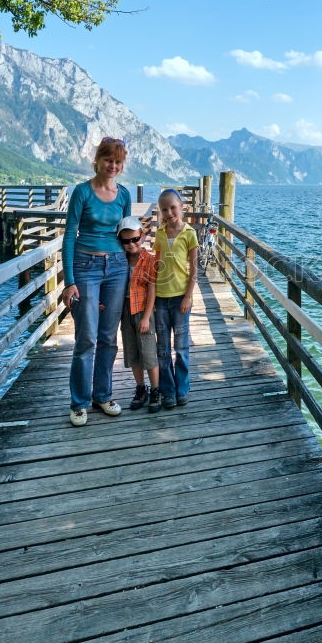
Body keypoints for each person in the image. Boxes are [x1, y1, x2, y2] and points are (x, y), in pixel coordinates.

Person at [61, 137, 132, 427]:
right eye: (108, 160)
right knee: (86, 336)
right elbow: (69, 236)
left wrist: (137, 270)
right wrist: (69, 281)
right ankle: (79, 402)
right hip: (85, 266)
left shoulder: (124, 195)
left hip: (116, 267)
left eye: (118, 162)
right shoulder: (81, 192)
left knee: (107, 337)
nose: (113, 166)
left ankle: (102, 395)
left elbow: (128, 236)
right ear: (97, 161)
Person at [153, 188, 199, 409]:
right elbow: (157, 265)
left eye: (172, 207)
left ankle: (182, 389)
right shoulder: (160, 234)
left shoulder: (190, 233)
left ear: (182, 207)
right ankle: (168, 390)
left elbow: (194, 269)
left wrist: (188, 296)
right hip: (161, 298)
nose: (169, 212)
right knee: (163, 348)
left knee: (181, 348)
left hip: (180, 296)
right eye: (164, 209)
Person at [115, 216, 162, 413]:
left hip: (143, 310)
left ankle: (155, 389)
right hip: (125, 310)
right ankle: (140, 388)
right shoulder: (119, 260)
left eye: (135, 239)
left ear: (142, 236)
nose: (131, 244)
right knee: (132, 352)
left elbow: (152, 289)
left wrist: (146, 317)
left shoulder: (149, 260)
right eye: (126, 241)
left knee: (149, 351)